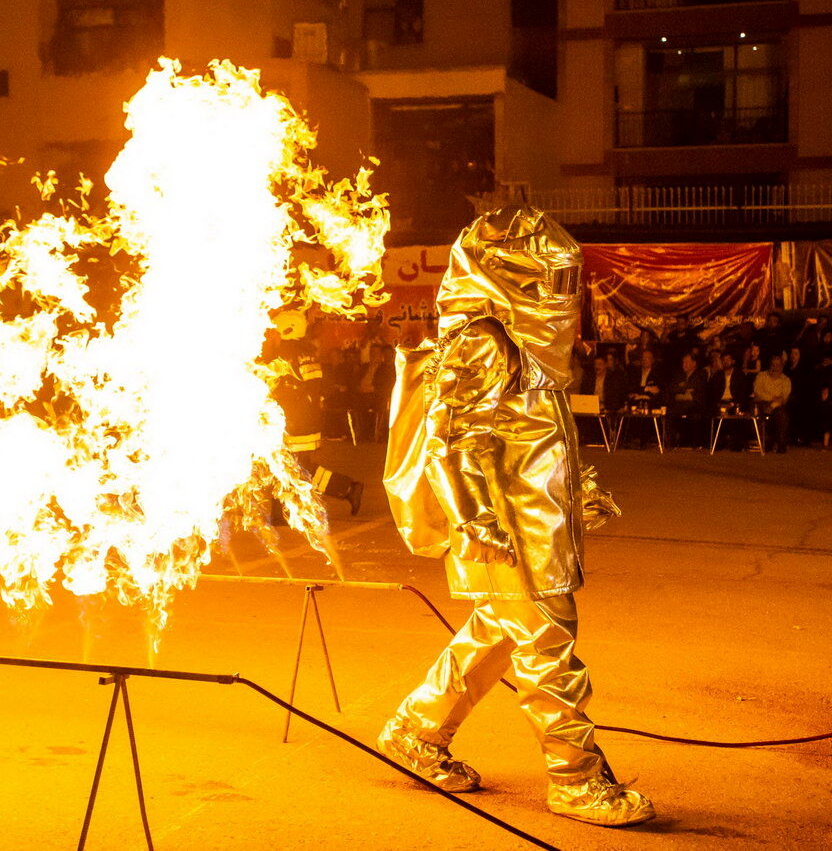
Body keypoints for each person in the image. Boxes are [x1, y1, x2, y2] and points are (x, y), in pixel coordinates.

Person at [379, 205, 653, 827]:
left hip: (535, 519)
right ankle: (575, 779)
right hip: (507, 528)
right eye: (545, 282)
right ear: (504, 278)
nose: (560, 297)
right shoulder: (483, 340)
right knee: (547, 646)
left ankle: (415, 730)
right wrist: (475, 518)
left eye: (565, 281)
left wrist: (576, 487)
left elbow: (534, 432)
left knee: (499, 633)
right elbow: (453, 440)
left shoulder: (527, 346)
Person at [269, 311, 364, 513]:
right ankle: (346, 488)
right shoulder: (292, 353)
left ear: (287, 329)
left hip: (297, 422)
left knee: (292, 466)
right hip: (290, 419)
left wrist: (294, 414)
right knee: (289, 465)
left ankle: (347, 487)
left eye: (276, 331)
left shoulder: (299, 354)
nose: (273, 335)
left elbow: (313, 388)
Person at [666, 352, 707, 448]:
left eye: (687, 362)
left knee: (687, 410)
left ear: (694, 363)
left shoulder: (700, 374)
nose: (684, 365)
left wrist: (681, 392)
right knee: (668, 411)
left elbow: (695, 391)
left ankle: (690, 441)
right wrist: (684, 390)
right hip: (680, 405)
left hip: (695, 404)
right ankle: (670, 441)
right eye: (683, 362)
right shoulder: (679, 375)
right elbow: (672, 388)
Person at [752, 354, 792, 453]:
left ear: (782, 367)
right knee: (757, 411)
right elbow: (757, 392)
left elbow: (784, 398)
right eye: (773, 365)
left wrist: (772, 405)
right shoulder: (761, 376)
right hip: (761, 404)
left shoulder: (786, 380)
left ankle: (781, 445)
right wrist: (772, 399)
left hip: (776, 406)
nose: (775, 368)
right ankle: (765, 442)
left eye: (778, 365)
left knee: (781, 415)